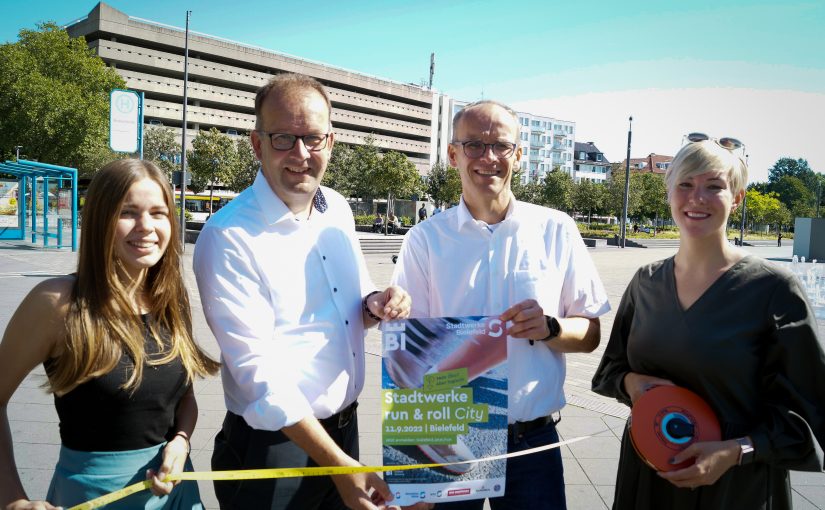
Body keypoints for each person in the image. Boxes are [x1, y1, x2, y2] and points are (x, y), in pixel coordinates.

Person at [193, 74, 423, 510]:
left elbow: (352, 304)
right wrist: (341, 467)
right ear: (257, 144)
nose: (301, 154)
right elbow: (259, 377)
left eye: (313, 139)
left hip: (343, 435)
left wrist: (376, 305)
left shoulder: (336, 209)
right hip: (273, 453)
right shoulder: (228, 236)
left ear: (331, 142)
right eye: (284, 138)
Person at [391, 100, 610, 509]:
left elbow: (591, 334)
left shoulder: (555, 229)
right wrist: (413, 467)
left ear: (519, 155)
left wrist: (551, 328)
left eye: (501, 146)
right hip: (452, 433)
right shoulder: (425, 240)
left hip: (531, 441)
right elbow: (410, 349)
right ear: (453, 154)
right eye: (474, 145)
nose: (488, 158)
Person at [592, 135, 825, 510]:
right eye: (685, 184)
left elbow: (807, 416)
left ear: (737, 197)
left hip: (735, 488)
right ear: (669, 192)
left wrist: (736, 452)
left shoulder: (774, 289)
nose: (696, 197)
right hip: (648, 477)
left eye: (713, 186)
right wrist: (631, 382)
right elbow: (611, 370)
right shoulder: (646, 282)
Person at [0, 159, 219, 510]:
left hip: (178, 495)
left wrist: (181, 442)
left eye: (159, 213)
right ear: (100, 219)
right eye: (128, 212)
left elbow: (183, 398)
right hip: (92, 497)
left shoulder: (170, 298)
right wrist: (12, 500)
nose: (146, 226)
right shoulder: (58, 302)